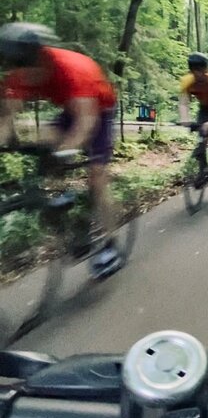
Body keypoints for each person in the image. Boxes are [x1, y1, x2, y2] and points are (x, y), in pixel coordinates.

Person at [0, 22, 121, 276]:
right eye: (15, 65)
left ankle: (111, 243)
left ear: (41, 55)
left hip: (99, 108)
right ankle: (64, 200)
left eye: (26, 65)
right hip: (71, 108)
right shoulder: (19, 72)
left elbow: (87, 122)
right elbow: (6, 119)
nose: (23, 73)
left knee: (97, 176)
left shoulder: (72, 70)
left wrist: (65, 151)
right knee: (42, 137)